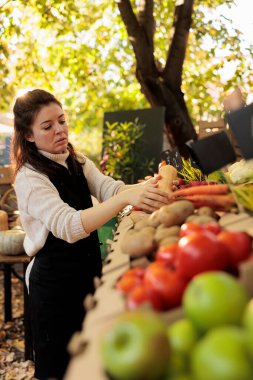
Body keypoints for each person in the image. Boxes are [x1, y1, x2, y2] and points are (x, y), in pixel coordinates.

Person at [11, 89, 169, 380]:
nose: (60, 130)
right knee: (59, 368)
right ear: (29, 135)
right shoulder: (29, 178)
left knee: (89, 358)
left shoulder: (77, 160)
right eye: (47, 126)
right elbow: (69, 227)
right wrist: (125, 199)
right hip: (53, 285)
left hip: (86, 270)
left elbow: (110, 188)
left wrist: (140, 189)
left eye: (62, 120)